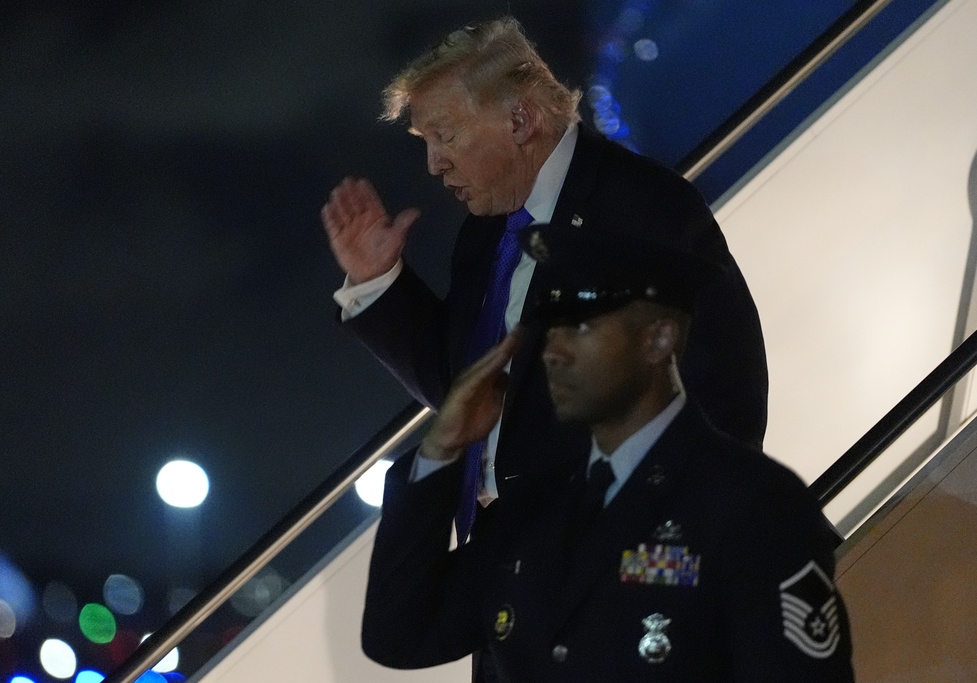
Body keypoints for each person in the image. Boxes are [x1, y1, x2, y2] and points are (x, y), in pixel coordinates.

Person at [321, 16, 768, 547]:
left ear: (520, 120)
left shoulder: (641, 208)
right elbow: (465, 388)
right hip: (520, 566)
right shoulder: (485, 235)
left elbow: (724, 392)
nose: (435, 164)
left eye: (445, 136)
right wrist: (377, 282)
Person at [361, 223, 854, 681]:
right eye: (551, 329)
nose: (553, 351)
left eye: (581, 327)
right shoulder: (535, 509)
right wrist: (441, 450)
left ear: (658, 338)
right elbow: (401, 633)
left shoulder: (749, 503)